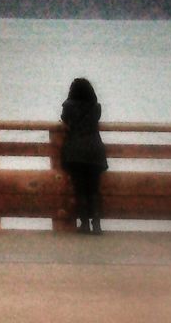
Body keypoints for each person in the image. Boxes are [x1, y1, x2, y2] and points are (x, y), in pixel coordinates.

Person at [60, 76, 108, 234]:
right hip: (95, 151)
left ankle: (85, 224)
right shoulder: (96, 107)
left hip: (76, 152)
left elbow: (65, 121)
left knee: (80, 189)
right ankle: (97, 224)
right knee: (94, 189)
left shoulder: (68, 106)